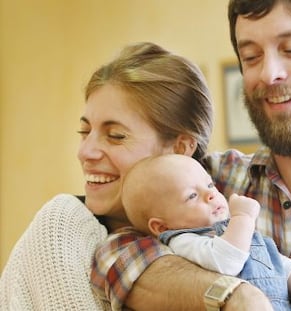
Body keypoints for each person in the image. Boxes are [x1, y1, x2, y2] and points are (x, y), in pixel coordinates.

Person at [89, 1, 291, 310]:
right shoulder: (205, 179)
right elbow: (113, 253)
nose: (269, 74)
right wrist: (232, 296)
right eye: (251, 56)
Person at [0, 41, 218, 310]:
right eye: (84, 132)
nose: (85, 152)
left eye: (115, 136)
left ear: (179, 148)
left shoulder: (211, 233)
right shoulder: (63, 223)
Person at [95, 153, 291, 310]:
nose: (211, 195)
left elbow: (276, 265)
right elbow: (226, 262)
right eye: (192, 196)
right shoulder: (183, 242)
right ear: (162, 226)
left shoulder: (234, 230)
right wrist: (243, 218)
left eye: (209, 185)